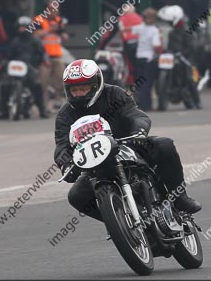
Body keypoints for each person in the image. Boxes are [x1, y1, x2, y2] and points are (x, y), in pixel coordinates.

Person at [54, 59, 202, 220]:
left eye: (84, 88)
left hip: (129, 144)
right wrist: (66, 164)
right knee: (76, 196)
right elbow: (62, 145)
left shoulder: (114, 94)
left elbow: (137, 116)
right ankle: (118, 221)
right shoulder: (65, 114)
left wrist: (138, 132)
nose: (79, 93)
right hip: (95, 163)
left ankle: (180, 198)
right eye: (74, 90)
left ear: (96, 84)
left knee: (165, 145)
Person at [1, 16, 49, 119]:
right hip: (15, 67)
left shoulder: (35, 41)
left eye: (24, 27)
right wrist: (3, 63)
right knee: (4, 85)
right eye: (20, 27)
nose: (22, 29)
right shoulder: (14, 41)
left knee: (37, 85)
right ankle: (4, 112)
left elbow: (42, 53)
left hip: (30, 67)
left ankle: (42, 109)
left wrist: (42, 62)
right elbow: (9, 55)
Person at [161, 5, 202, 109]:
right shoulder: (171, 32)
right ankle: (165, 94)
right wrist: (167, 52)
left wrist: (183, 54)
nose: (169, 23)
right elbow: (169, 46)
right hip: (174, 58)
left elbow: (192, 47)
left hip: (187, 59)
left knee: (189, 78)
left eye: (170, 21)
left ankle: (197, 101)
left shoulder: (188, 31)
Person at [33, 0, 69, 112]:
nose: (55, 12)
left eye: (56, 9)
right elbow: (34, 35)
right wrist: (49, 30)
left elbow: (64, 36)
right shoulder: (39, 20)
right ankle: (45, 104)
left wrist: (63, 35)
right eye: (52, 9)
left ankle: (58, 102)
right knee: (44, 82)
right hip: (44, 57)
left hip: (57, 55)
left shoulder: (59, 20)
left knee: (59, 79)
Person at [133, 8, 163, 111]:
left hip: (139, 57)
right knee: (148, 82)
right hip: (149, 59)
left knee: (140, 82)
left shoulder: (140, 28)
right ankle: (146, 105)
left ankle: (140, 104)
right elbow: (156, 46)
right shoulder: (154, 31)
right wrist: (160, 52)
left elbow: (130, 30)